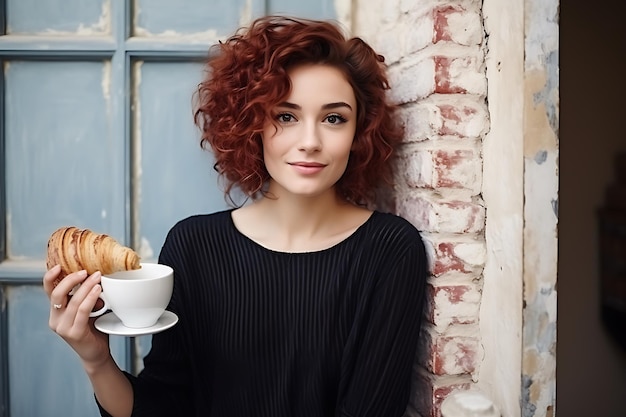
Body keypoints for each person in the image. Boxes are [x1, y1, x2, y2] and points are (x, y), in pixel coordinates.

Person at [43, 15, 428, 417]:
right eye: (285, 116)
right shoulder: (194, 245)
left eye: (334, 118)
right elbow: (164, 407)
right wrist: (96, 360)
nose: (311, 142)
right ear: (252, 125)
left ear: (358, 131)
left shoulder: (389, 250)